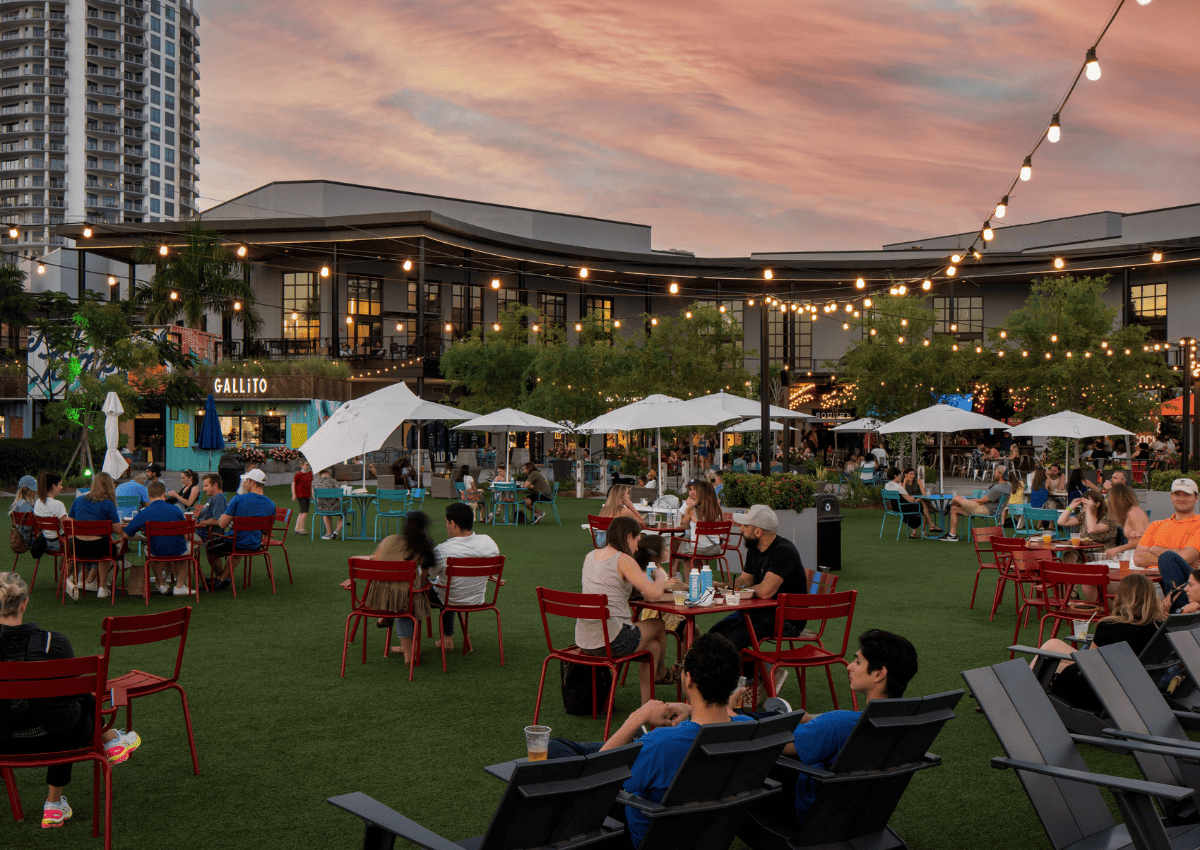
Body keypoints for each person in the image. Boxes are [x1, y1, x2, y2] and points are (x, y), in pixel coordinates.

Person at [543, 633, 751, 845]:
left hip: (643, 833)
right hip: (702, 832)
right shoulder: (748, 730)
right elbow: (727, 717)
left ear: (689, 679)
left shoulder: (662, 744)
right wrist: (690, 709)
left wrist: (636, 718)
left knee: (554, 749)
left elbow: (595, 783)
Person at [0, 572, 142, 829]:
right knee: (65, 710)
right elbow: (76, 694)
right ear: (24, 604)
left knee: (59, 709)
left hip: (5, 740)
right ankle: (55, 803)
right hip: (60, 737)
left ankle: (111, 742)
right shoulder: (53, 643)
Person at [784, 629, 918, 825]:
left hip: (813, 817)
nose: (849, 667)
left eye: (857, 662)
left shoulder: (838, 724)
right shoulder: (907, 721)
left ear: (879, 673)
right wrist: (812, 718)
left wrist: (731, 713)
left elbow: (776, 744)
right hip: (864, 817)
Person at [578, 515, 686, 705]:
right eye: (637, 540)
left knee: (653, 648)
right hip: (612, 641)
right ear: (629, 536)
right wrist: (660, 575)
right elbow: (653, 594)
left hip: (585, 641)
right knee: (659, 624)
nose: (637, 546)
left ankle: (646, 706)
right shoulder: (624, 560)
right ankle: (660, 673)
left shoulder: (590, 556)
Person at [710, 504, 807, 687]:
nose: (741, 529)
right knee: (714, 634)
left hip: (786, 619)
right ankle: (758, 677)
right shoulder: (755, 548)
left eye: (745, 526)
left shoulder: (783, 551)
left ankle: (751, 683)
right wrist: (722, 586)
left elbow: (765, 591)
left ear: (758, 531)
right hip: (763, 613)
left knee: (727, 641)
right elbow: (746, 579)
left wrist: (738, 591)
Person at [1037, 574, 1163, 711]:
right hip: (1135, 691)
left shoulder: (1109, 625)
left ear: (1122, 596)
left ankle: (1027, 699)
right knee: (1053, 644)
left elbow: (1088, 664)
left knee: (1047, 662)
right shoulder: (1159, 628)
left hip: (1097, 693)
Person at [409, 502, 503, 653]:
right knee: (447, 585)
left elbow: (428, 574)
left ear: (453, 525)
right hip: (476, 597)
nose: (446, 526)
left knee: (415, 592)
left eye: (446, 522)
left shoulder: (443, 550)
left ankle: (408, 645)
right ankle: (447, 639)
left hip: (450, 597)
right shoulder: (489, 542)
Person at [357, 513, 435, 665]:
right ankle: (409, 654)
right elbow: (422, 579)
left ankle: (385, 618)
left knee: (400, 592)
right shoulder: (423, 549)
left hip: (377, 597)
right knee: (407, 598)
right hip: (403, 600)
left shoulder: (389, 539)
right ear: (424, 528)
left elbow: (375, 559)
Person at [1134, 478, 1200, 609]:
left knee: (1168, 557)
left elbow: (1185, 558)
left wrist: (1155, 549)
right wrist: (1174, 557)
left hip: (1188, 581)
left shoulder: (1198, 524)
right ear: (1171, 497)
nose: (1182, 498)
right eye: (1177, 494)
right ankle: (1176, 609)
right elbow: (1138, 558)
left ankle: (1175, 606)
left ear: (1196, 498)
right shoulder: (1156, 525)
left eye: (1187, 494)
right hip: (1152, 579)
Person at [211, 469, 276, 590]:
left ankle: (219, 578)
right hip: (256, 544)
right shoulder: (271, 504)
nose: (244, 484)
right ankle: (222, 578)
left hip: (236, 543)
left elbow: (222, 524)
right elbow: (267, 530)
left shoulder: (238, 499)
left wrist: (221, 517)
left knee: (210, 546)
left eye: (246, 481)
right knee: (241, 541)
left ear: (252, 482)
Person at [121, 481, 189, 596]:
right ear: (164, 494)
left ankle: (161, 583)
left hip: (156, 550)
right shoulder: (176, 510)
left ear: (149, 496)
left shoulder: (144, 512)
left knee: (150, 550)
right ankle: (179, 585)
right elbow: (185, 535)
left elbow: (125, 535)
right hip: (178, 550)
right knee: (188, 553)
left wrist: (141, 537)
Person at [64, 472, 122, 600]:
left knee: (102, 545)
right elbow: (118, 529)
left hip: (77, 547)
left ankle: (68, 580)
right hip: (99, 548)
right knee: (106, 548)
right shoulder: (108, 504)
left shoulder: (78, 501)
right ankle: (102, 588)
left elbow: (69, 523)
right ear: (109, 486)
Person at [941, 465, 1011, 542]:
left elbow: (982, 501)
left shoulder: (997, 488)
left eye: (995, 472)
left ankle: (948, 507)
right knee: (954, 509)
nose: (994, 473)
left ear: (1001, 474)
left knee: (956, 498)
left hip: (984, 510)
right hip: (994, 511)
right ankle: (952, 535)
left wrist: (968, 501)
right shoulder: (1008, 485)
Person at [671, 479, 724, 565]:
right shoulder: (717, 510)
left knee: (681, 545)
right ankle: (678, 573)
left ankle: (676, 574)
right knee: (686, 542)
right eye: (690, 489)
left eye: (696, 489)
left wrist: (687, 506)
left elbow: (681, 522)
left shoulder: (693, 510)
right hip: (715, 548)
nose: (693, 492)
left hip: (698, 548)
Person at [1105, 483, 1150, 560]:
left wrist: (1118, 549)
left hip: (1140, 557)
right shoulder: (1131, 512)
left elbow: (1142, 540)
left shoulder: (1134, 512)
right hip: (1135, 555)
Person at [883, 468, 925, 539]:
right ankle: (916, 527)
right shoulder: (899, 487)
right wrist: (916, 499)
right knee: (920, 505)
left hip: (895, 508)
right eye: (899, 475)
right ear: (895, 476)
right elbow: (910, 500)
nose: (900, 477)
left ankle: (914, 530)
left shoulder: (886, 486)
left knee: (918, 505)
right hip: (903, 508)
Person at [32, 471, 67, 554]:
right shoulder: (57, 505)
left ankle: (63, 566)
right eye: (60, 484)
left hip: (45, 543)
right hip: (59, 544)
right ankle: (67, 567)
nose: (61, 487)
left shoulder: (37, 503)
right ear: (54, 486)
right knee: (83, 544)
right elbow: (66, 528)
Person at [195, 473, 228, 545]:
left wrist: (199, 522)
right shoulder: (212, 498)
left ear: (215, 485)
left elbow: (217, 521)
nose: (204, 489)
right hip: (198, 532)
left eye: (206, 486)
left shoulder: (219, 498)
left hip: (203, 535)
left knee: (177, 534)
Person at [8, 474, 38, 548]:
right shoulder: (25, 505)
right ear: (26, 490)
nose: (35, 491)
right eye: (32, 489)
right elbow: (27, 528)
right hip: (29, 538)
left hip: (20, 536)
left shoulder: (18, 503)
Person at [313, 466, 343, 540]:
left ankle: (328, 533)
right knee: (345, 511)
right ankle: (336, 531)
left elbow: (314, 496)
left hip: (321, 507)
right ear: (328, 474)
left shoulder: (315, 482)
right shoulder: (333, 481)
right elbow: (339, 494)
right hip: (334, 507)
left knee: (326, 513)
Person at [290, 460, 312, 535]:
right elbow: (293, 484)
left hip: (307, 495)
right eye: (306, 465)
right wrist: (294, 494)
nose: (308, 466)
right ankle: (301, 528)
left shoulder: (309, 473)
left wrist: (313, 494)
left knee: (302, 512)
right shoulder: (298, 474)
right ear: (302, 466)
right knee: (304, 512)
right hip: (300, 495)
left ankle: (297, 528)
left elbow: (311, 484)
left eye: (309, 465)